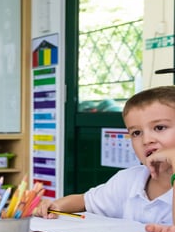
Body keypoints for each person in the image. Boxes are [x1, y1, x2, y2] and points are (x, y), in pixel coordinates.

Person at [35, 86, 175, 224]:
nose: (146, 140)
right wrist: (57, 206)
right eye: (136, 133)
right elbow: (84, 201)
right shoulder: (128, 180)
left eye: (160, 127)